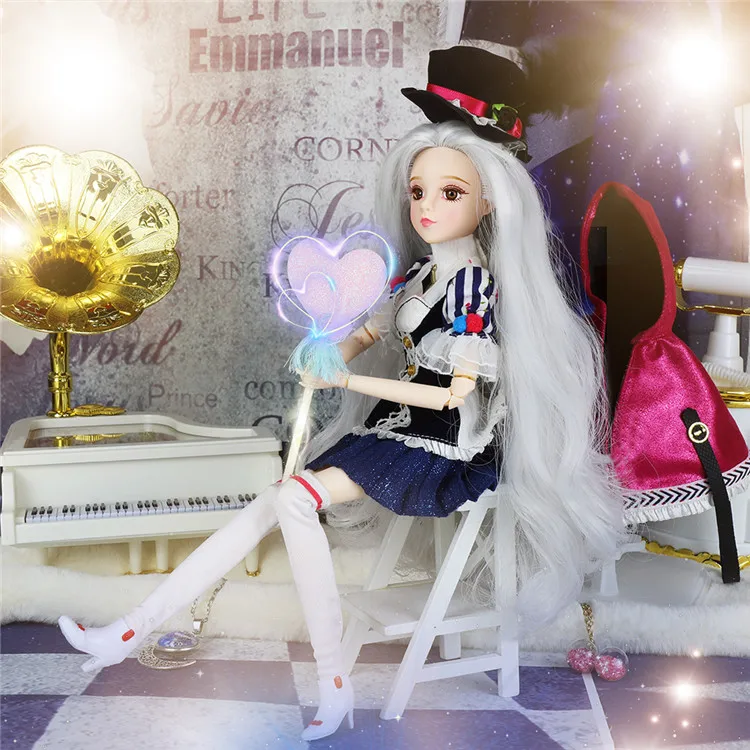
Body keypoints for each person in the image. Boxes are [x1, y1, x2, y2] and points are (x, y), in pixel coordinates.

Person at [59, 46, 625, 742]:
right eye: (418, 191)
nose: (427, 207)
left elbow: (451, 398)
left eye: (450, 193)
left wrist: (347, 379)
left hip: (448, 446)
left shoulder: (475, 288)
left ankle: (331, 681)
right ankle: (130, 629)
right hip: (399, 430)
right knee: (274, 501)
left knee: (294, 499)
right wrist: (329, 350)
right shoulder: (418, 279)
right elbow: (368, 329)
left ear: (487, 202)